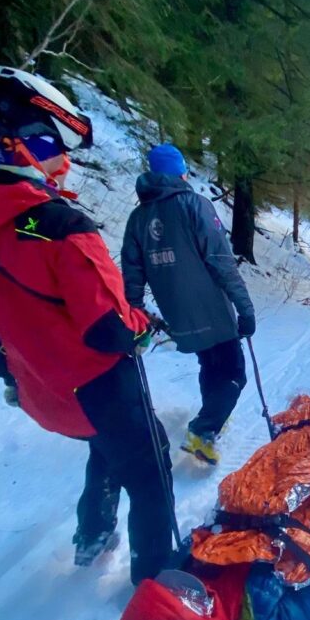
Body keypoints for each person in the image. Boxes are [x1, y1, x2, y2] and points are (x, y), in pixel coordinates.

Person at [0, 66, 178, 584]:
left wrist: (11, 376)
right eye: (50, 143)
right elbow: (109, 329)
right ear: (18, 147)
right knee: (151, 468)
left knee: (105, 443)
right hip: (100, 385)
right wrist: (145, 326)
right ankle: (155, 583)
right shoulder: (63, 227)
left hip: (43, 391)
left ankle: (91, 535)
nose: (62, 158)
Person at [121, 144, 256, 466]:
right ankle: (203, 429)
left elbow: (132, 272)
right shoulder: (194, 205)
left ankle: (211, 421)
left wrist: (135, 312)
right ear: (180, 172)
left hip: (177, 313)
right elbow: (222, 261)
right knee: (235, 374)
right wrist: (245, 308)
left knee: (210, 364)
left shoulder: (138, 217)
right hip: (212, 310)